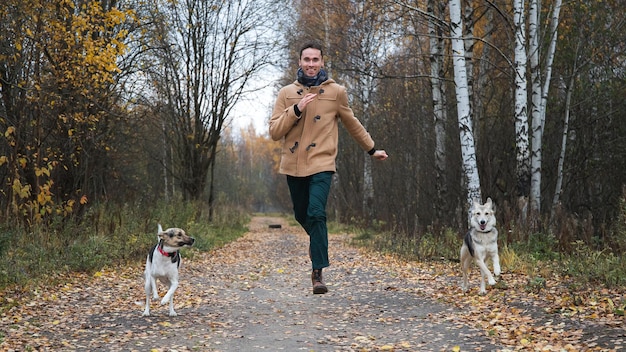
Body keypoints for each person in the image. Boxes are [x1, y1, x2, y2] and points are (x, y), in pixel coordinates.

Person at [269, 42, 388, 294]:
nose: (311, 64)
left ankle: (317, 273)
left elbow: (352, 123)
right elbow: (274, 132)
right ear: (299, 62)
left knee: (316, 212)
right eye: (306, 59)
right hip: (293, 165)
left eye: (315, 60)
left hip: (322, 163)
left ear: (322, 62)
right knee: (302, 215)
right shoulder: (286, 93)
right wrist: (297, 109)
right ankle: (317, 241)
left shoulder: (336, 92)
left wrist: (372, 149)